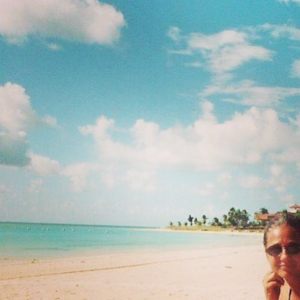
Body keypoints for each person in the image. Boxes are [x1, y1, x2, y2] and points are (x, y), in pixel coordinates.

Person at [263, 213, 300, 300]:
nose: (284, 257)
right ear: (267, 255)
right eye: (275, 250)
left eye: (293, 248)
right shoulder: (277, 287)